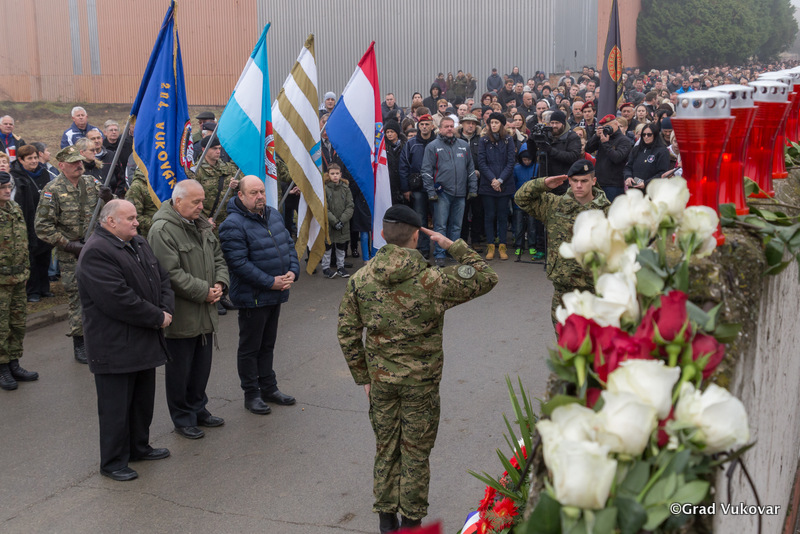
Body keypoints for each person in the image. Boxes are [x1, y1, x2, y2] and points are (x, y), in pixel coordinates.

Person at [337, 204, 498, 533]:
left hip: (381, 382)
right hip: (421, 385)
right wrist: (451, 244)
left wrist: (364, 376)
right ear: (415, 237)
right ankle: (411, 523)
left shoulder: (360, 280)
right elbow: (486, 276)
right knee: (415, 453)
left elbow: (347, 333)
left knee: (386, 448)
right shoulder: (432, 279)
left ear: (382, 235)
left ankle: (386, 521)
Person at [76, 200, 174, 481]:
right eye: (130, 218)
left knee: (141, 402)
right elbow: (118, 300)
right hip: (114, 345)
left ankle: (138, 448)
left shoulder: (137, 242)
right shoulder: (96, 252)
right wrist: (157, 316)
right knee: (115, 408)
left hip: (143, 339)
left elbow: (161, 278)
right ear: (110, 222)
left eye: (135, 217)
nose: (136, 222)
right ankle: (113, 462)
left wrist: (166, 309)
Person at [148, 179, 230, 440]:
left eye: (202, 201)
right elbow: (170, 274)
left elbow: (218, 257)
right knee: (180, 371)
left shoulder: (201, 225)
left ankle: (198, 408)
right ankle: (182, 418)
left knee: (200, 368)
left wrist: (220, 284)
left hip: (205, 312)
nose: (201, 206)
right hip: (182, 315)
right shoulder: (162, 230)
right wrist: (203, 291)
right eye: (196, 202)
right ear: (178, 201)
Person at [219, 175, 299, 415]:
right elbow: (238, 263)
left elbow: (288, 245)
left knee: (267, 344)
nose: (260, 196)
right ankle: (251, 394)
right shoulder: (232, 224)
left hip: (276, 293)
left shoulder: (273, 214)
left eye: (262, 191)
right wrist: (270, 282)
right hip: (252, 296)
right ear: (241, 195)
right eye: (253, 193)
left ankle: (269, 388)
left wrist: (293, 271)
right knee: (250, 348)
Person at [34, 145, 113, 363]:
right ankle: (80, 342)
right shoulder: (52, 190)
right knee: (78, 297)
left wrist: (109, 198)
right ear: (61, 166)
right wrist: (69, 245)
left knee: (102, 293)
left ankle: (100, 337)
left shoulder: (91, 182)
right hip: (71, 254)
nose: (79, 165)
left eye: (79, 161)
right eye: (73, 163)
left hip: (95, 248)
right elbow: (42, 227)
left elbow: (111, 210)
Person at [514, 159, 611, 326]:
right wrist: (543, 184)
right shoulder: (555, 206)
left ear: (593, 181)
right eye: (575, 180)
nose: (579, 185)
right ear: (569, 181)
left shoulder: (608, 213)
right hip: (563, 293)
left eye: (584, 181)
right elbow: (521, 198)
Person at [421, 116, 477, 267]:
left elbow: (470, 169)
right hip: (442, 193)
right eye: (446, 126)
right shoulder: (432, 146)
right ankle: (439, 254)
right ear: (440, 128)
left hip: (461, 193)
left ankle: (453, 252)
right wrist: (431, 191)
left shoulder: (463, 145)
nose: (449, 129)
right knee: (440, 226)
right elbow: (426, 171)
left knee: (457, 226)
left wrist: (473, 188)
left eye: (452, 126)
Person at [0, 172, 37, 391]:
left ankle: (14, 362)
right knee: (1, 325)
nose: (7, 190)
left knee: (17, 323)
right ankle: (2, 367)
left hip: (18, 276)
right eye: (3, 187)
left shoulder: (14, 208)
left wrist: (25, 271)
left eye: (9, 187)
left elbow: (23, 242)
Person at [9, 144, 53, 302]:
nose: (34, 161)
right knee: (32, 258)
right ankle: (33, 291)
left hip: (44, 221)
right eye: (29, 158)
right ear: (21, 160)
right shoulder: (16, 176)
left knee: (45, 256)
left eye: (35, 157)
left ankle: (44, 288)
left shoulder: (44, 173)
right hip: (28, 220)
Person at [477, 112, 515, 261]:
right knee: (489, 216)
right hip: (488, 184)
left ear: (502, 124)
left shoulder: (508, 140)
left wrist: (500, 180)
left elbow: (510, 162)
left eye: (496, 122)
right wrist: (493, 180)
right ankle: (491, 245)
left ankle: (502, 246)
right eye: (491, 122)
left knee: (502, 216)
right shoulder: (484, 140)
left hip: (504, 184)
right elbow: (482, 162)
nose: (493, 125)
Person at [399, 113, 437, 259]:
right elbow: (403, 166)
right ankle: (423, 248)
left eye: (427, 124)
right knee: (420, 219)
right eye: (422, 124)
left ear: (432, 126)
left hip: (436, 187)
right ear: (418, 126)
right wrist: (406, 188)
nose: (424, 127)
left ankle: (440, 249)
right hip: (418, 188)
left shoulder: (438, 142)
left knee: (438, 219)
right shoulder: (411, 143)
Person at [195, 136, 240, 232]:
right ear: (204, 149)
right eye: (214, 148)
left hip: (228, 222)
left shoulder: (228, 168)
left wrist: (237, 185)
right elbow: (192, 200)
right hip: (208, 223)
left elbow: (246, 186)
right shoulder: (197, 171)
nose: (218, 151)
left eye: (219, 148)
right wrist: (203, 221)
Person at [584, 115, 633, 202]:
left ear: (616, 124)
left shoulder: (624, 140)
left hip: (614, 184)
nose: (607, 129)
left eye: (609, 126)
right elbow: (588, 149)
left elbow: (617, 158)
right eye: (605, 127)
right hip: (599, 182)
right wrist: (596, 136)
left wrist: (605, 144)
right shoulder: (602, 137)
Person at [321, 164, 354, 278]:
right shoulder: (325, 188)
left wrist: (342, 220)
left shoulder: (346, 188)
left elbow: (350, 206)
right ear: (328, 175)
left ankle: (341, 267)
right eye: (332, 174)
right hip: (329, 224)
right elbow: (324, 207)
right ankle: (326, 268)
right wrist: (334, 221)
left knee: (341, 246)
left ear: (340, 174)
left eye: (337, 173)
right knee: (327, 246)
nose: (335, 176)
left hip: (343, 224)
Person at [512, 144, 539, 260]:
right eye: (524, 159)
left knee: (532, 225)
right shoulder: (516, 168)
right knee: (518, 225)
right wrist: (514, 197)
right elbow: (513, 183)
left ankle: (532, 244)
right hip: (519, 202)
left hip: (532, 202)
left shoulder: (537, 167)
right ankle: (519, 245)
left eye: (529, 159)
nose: (527, 162)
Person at [623, 123, 671, 189]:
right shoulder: (636, 149)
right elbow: (628, 167)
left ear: (655, 135)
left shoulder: (662, 151)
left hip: (652, 189)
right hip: (634, 188)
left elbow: (662, 173)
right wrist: (628, 177)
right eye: (644, 134)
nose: (646, 137)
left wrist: (646, 183)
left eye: (649, 135)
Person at [124, 168, 158, 238]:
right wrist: (157, 226)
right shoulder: (137, 186)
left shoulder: (166, 181)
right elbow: (133, 216)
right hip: (150, 235)